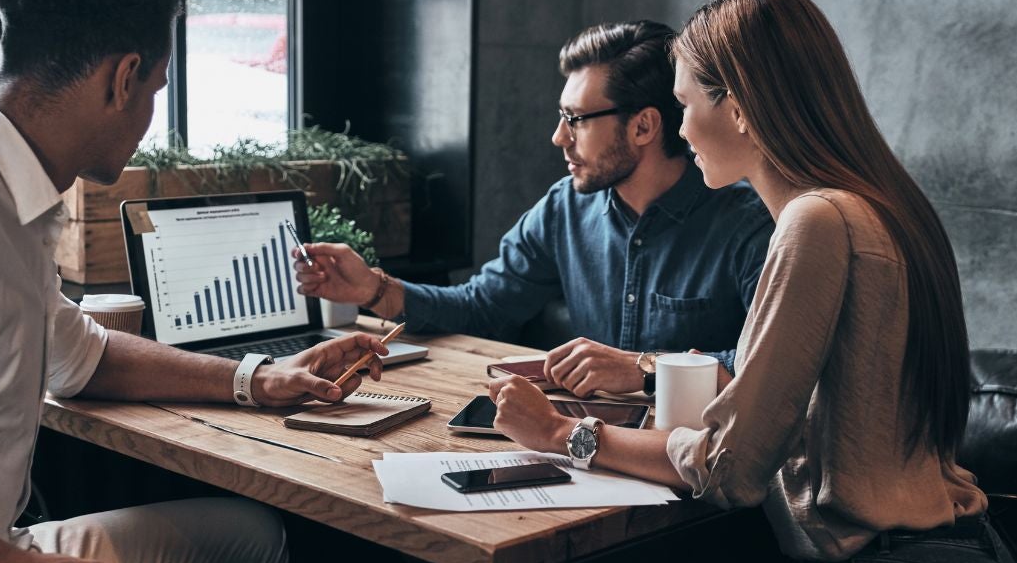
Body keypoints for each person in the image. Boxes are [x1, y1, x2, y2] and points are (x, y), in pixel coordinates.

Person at [488, 0, 1014, 563]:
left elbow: (731, 469)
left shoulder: (816, 221)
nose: (680, 131)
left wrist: (561, 434)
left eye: (685, 106)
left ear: (737, 107)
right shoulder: (880, 203)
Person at [0, 0, 389, 563]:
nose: (151, 116)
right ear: (124, 79)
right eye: (155, 87)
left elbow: (84, 359)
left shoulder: (11, 197)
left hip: (0, 544)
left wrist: (258, 378)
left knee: (253, 535)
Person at [295, 20, 773, 397]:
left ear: (644, 127)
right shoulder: (564, 209)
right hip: (587, 448)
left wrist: (643, 367)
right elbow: (483, 307)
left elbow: (768, 370)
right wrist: (373, 288)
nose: (558, 137)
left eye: (576, 120)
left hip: (695, 470)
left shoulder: (748, 225)